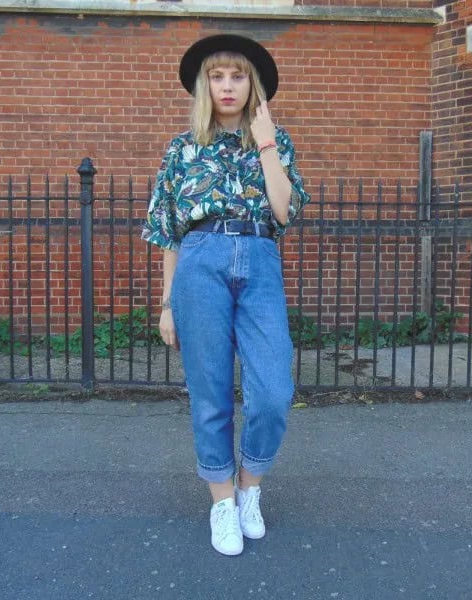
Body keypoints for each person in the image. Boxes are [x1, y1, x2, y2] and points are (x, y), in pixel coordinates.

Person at [142, 34, 310, 556]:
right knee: (210, 393)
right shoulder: (182, 148)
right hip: (199, 263)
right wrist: (168, 303)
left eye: (238, 76)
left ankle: (249, 487)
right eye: (218, 76)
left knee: (274, 392)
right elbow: (168, 232)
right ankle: (221, 501)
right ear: (204, 85)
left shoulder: (274, 141)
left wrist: (265, 141)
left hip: (258, 261)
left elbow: (285, 212)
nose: (228, 86)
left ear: (252, 83)